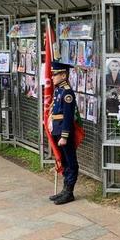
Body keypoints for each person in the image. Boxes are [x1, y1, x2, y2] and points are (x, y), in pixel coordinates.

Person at [48, 61, 79, 205]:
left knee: (71, 162)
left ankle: (69, 192)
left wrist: (64, 136)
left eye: (55, 74)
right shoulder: (59, 90)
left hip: (63, 132)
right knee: (64, 161)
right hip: (57, 129)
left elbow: (67, 116)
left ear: (63, 75)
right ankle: (65, 189)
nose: (52, 77)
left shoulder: (67, 92)